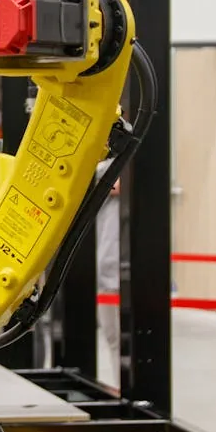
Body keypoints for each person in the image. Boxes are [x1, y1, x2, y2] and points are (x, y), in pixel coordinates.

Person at [95, 159, 121, 387]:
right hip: (109, 277)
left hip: (122, 274)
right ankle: (123, 387)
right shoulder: (103, 171)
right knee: (115, 339)